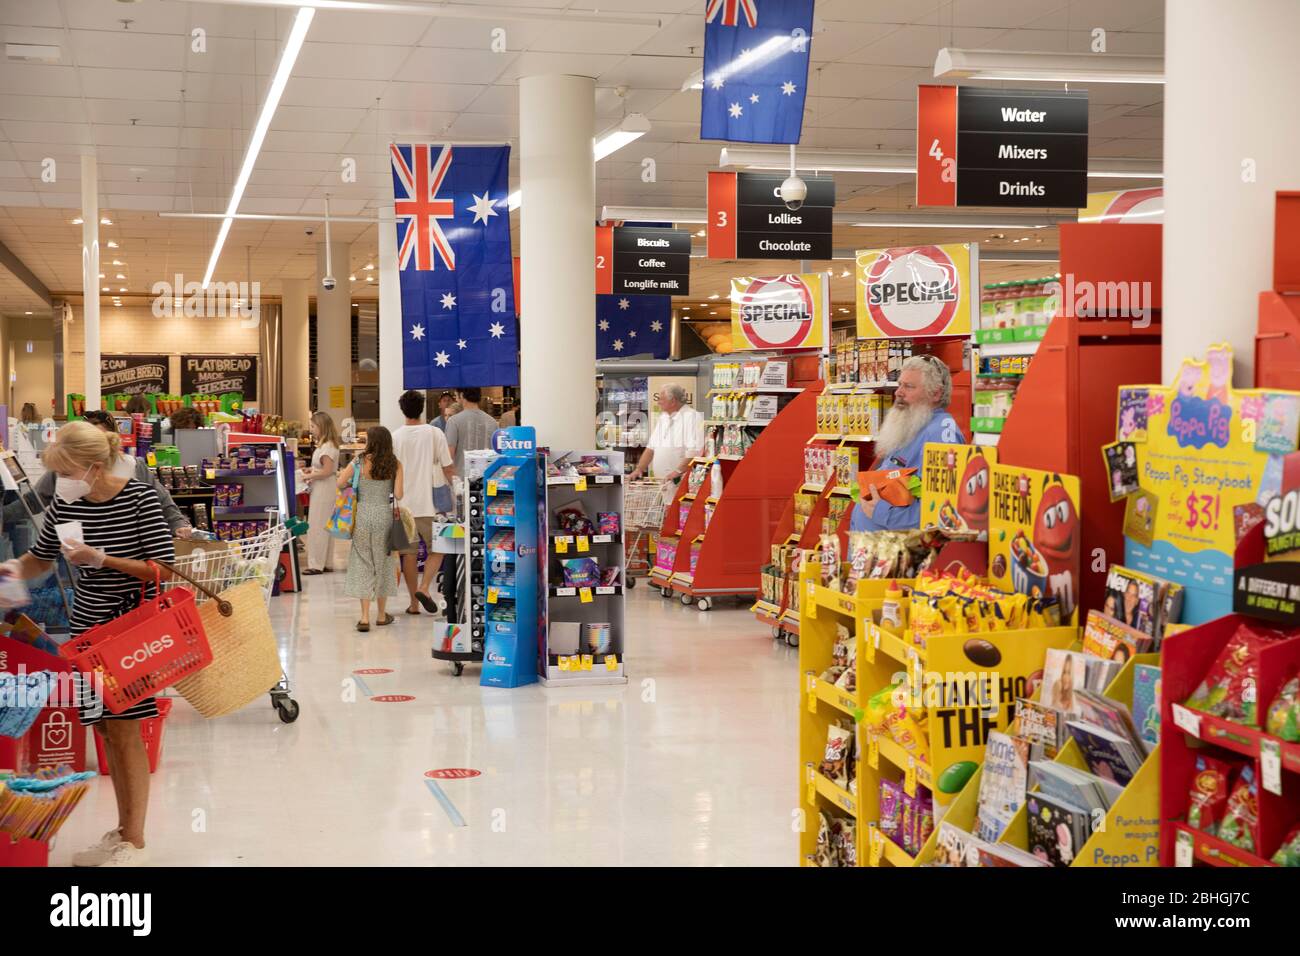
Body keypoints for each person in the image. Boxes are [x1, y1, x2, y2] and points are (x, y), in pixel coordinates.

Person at [0, 421, 175, 867]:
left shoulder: (139, 498)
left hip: (130, 628)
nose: (61, 481)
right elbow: (41, 557)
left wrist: (101, 559)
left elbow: (164, 570)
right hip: (87, 627)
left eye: (67, 471)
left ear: (94, 467)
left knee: (125, 728)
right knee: (102, 727)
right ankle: (122, 830)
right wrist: (13, 571)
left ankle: (134, 841)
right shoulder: (65, 502)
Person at [24, 410, 192, 537]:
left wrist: (179, 525)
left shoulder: (134, 469)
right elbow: (33, 501)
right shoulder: (66, 469)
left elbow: (163, 502)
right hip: (74, 559)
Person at [850, 356, 965, 531]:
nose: (899, 392)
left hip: (901, 553)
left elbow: (944, 509)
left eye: (909, 386)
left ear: (936, 393)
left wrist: (883, 513)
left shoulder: (941, 434)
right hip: (875, 552)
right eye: (900, 385)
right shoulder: (909, 425)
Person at [392, 390, 455, 615]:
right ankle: (425, 587)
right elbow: (448, 467)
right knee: (438, 548)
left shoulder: (395, 436)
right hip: (431, 505)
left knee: (408, 554)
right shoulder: (435, 433)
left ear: (402, 409)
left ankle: (413, 603)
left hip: (402, 505)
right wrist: (456, 490)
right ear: (423, 408)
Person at [338, 425, 403, 631]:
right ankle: (382, 615)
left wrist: (354, 486)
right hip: (384, 514)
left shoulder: (359, 461)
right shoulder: (395, 464)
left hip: (363, 514)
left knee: (363, 562)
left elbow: (340, 482)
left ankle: (365, 617)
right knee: (383, 563)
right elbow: (399, 495)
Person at [629, 385, 705, 489]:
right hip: (664, 482)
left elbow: (695, 452)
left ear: (673, 401)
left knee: (678, 505)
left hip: (680, 482)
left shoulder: (692, 417)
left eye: (661, 399)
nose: (658, 402)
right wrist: (639, 469)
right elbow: (651, 448)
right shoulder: (664, 418)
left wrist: (677, 472)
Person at [301, 411, 341, 575]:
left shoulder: (327, 447)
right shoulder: (327, 445)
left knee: (317, 525)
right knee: (325, 526)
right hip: (326, 488)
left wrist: (308, 475)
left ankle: (316, 564)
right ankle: (326, 562)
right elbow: (324, 469)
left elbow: (326, 471)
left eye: (313, 426)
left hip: (324, 489)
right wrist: (312, 469)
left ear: (321, 427)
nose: (311, 429)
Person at [445, 387, 500, 477]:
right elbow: (497, 455)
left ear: (462, 395)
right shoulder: (492, 422)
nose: (455, 398)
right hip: (487, 480)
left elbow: (448, 457)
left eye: (456, 395)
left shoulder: (454, 421)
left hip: (463, 482)